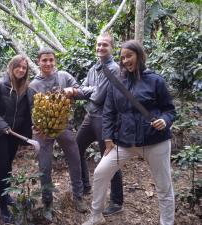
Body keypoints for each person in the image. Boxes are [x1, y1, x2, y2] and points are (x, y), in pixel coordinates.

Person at [82, 40, 176, 225]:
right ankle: (96, 216)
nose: (125, 60)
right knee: (101, 172)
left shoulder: (156, 80)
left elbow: (170, 110)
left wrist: (165, 120)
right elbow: (108, 112)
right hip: (124, 142)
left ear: (139, 56)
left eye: (129, 56)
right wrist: (108, 137)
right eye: (123, 57)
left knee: (164, 186)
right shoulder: (117, 83)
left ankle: (167, 222)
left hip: (155, 141)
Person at [29, 47, 87, 221]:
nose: (48, 63)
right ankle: (47, 201)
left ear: (55, 61)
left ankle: (78, 196)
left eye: (51, 60)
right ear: (38, 62)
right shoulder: (33, 85)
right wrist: (35, 125)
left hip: (63, 126)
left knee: (75, 159)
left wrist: (73, 91)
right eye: (44, 60)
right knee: (44, 166)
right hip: (43, 131)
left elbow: (82, 91)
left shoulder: (64, 77)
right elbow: (31, 110)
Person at [75, 32, 124, 215]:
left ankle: (117, 202)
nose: (101, 47)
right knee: (76, 147)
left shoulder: (114, 69)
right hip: (90, 117)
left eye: (105, 45)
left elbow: (97, 96)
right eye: (99, 44)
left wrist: (84, 91)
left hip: (106, 119)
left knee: (110, 160)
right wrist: (82, 91)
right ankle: (85, 185)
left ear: (112, 48)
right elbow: (83, 90)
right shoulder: (93, 68)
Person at [0, 55, 33, 224]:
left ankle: (6, 197)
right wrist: (3, 126)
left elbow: (27, 113)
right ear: (11, 67)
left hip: (13, 135)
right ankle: (3, 206)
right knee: (2, 167)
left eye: (24, 68)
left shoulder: (26, 87)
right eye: (18, 67)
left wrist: (28, 134)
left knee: (8, 168)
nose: (21, 70)